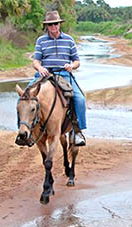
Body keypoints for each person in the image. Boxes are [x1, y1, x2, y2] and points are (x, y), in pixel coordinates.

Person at [25, 10, 87, 146]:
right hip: (44, 75)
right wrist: (40, 68)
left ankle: (78, 131)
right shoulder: (41, 40)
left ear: (59, 24)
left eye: (55, 24)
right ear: (47, 26)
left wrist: (71, 66)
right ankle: (24, 132)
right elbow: (36, 61)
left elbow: (77, 61)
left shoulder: (69, 40)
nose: (53, 27)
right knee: (23, 98)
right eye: (50, 24)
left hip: (63, 74)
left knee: (80, 99)